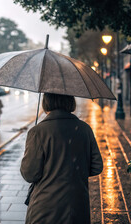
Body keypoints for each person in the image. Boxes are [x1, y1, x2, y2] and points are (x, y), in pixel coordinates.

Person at [20, 93, 103, 224]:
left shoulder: (38, 132)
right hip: (77, 207)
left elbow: (30, 174)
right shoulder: (84, 129)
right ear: (70, 102)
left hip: (45, 209)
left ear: (46, 102)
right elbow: (97, 166)